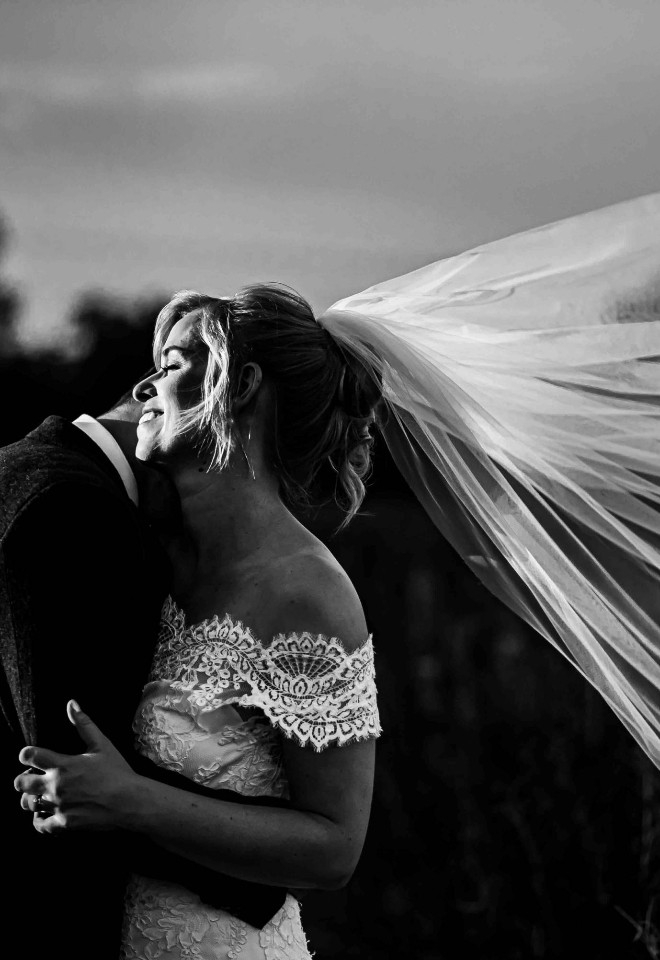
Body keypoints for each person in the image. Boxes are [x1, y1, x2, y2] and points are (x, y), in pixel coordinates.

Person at [16, 285, 382, 960]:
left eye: (175, 362)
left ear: (239, 385)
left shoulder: (310, 594)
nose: (143, 383)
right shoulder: (143, 553)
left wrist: (134, 801)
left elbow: (336, 847)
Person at [1, 396, 291, 960]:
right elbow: (69, 768)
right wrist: (264, 862)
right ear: (152, 401)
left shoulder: (20, 464)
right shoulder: (75, 506)